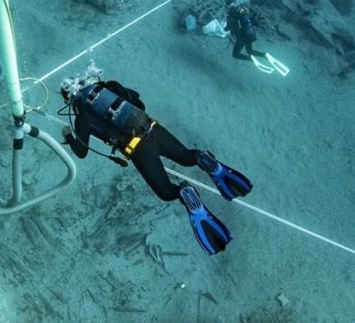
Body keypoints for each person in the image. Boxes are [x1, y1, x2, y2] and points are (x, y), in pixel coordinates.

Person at [59, 68, 253, 255]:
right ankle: (202, 158)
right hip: (153, 129)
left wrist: (68, 136)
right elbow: (137, 97)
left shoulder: (82, 119)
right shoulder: (110, 87)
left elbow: (82, 152)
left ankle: (184, 193)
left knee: (166, 192)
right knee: (187, 158)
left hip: (139, 150)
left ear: (71, 100)